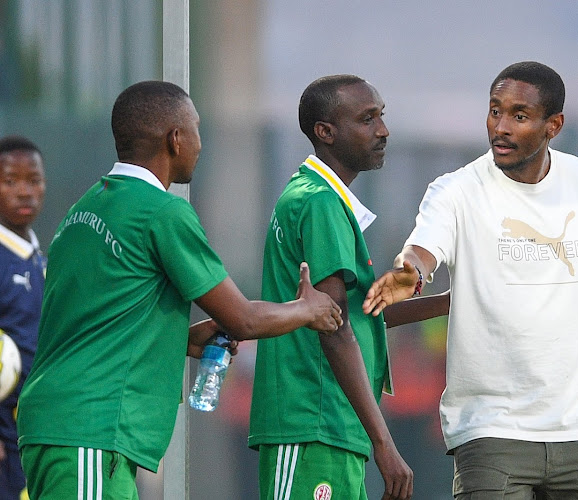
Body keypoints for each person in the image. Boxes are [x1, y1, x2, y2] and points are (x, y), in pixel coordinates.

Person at [363, 61, 578, 499]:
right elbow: (422, 249)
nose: (501, 127)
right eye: (495, 111)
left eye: (519, 115)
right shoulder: (455, 191)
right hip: (492, 436)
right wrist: (411, 273)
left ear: (554, 125)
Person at [16, 80, 343, 500]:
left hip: (57, 426)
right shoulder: (164, 211)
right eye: (197, 130)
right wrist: (307, 310)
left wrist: (182, 340)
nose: (200, 144)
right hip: (93, 430)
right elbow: (241, 317)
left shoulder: (86, 207)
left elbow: (91, 324)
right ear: (175, 139)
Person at [249, 74, 418, 500]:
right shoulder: (319, 201)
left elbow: (354, 314)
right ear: (325, 132)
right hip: (314, 421)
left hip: (333, 428)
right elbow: (335, 330)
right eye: (367, 119)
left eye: (381, 116)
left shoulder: (318, 197)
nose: (383, 130)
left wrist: (450, 302)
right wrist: (384, 442)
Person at [0, 135, 46, 500]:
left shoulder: (41, 259)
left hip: (33, 427)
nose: (24, 192)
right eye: (10, 181)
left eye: (33, 180)